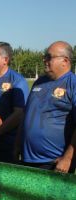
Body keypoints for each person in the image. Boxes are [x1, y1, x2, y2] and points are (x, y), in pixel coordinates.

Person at [20, 41, 76, 173]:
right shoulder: (39, 82)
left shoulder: (72, 84)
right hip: (27, 159)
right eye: (44, 56)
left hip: (55, 163)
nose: (44, 60)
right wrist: (17, 144)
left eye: (49, 57)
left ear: (65, 61)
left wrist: (67, 158)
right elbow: (26, 115)